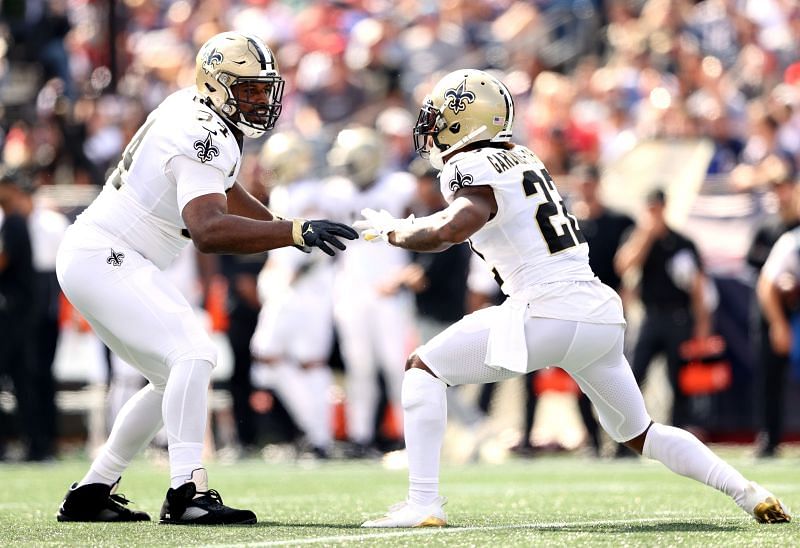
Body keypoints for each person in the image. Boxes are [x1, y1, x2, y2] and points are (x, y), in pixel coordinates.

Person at [355, 69, 789, 527]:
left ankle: (424, 504)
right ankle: (749, 491)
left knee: (423, 370)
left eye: (442, 116)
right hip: (596, 313)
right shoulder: (524, 157)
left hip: (544, 309)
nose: (434, 127)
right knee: (640, 432)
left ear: (469, 119)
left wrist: (394, 232)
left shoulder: (469, 166)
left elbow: (452, 229)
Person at [54, 31, 357, 525]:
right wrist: (291, 230)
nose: (260, 99)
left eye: (264, 89)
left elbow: (226, 190)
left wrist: (286, 229)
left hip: (101, 253)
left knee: (166, 376)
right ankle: (187, 491)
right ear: (216, 85)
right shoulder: (204, 132)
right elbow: (209, 230)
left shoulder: (193, 110)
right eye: (249, 89)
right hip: (106, 253)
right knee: (193, 352)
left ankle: (92, 489)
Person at [249, 131, 336, 458]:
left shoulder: (312, 192)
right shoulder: (283, 192)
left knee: (279, 356)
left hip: (307, 288)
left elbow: (316, 245)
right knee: (290, 362)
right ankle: (316, 434)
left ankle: (319, 435)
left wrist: (290, 274)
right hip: (289, 286)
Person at [614, 188, 713, 430]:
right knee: (634, 376)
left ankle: (679, 434)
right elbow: (623, 265)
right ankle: (626, 437)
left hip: (679, 318)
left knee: (679, 382)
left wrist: (702, 326)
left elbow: (698, 287)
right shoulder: (637, 237)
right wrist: (645, 236)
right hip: (650, 316)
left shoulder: (682, 242)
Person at [746, 171, 799, 458]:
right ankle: (769, 437)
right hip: (770, 313)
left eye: (785, 188)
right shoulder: (766, 229)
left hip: (796, 312)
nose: (781, 194)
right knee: (769, 378)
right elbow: (758, 275)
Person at [0, 171, 37, 461]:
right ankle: (35, 444)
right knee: (24, 381)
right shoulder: (16, 222)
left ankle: (30, 443)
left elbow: (4, 260)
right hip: (22, 312)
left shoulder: (13, 222)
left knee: (19, 381)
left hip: (13, 313)